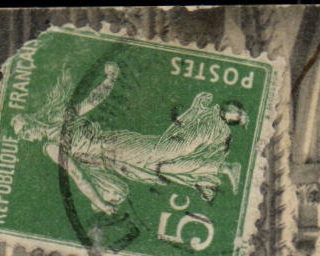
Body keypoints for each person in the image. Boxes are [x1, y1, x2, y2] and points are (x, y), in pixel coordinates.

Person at [13, 63, 246, 216]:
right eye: (22, 136)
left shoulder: (57, 124)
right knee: (161, 169)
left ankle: (216, 119)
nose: (27, 137)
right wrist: (101, 203)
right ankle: (220, 169)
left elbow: (91, 101)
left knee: (166, 151)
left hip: (116, 145)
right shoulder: (51, 147)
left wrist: (110, 80)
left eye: (25, 130)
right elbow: (78, 174)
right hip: (113, 161)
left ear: (32, 121)